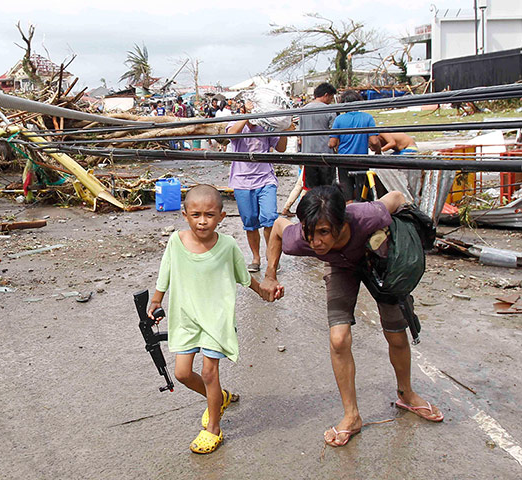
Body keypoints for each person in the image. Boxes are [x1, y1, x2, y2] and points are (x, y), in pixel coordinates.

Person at [260, 185, 444, 448]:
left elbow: (396, 197)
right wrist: (270, 274)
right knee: (338, 339)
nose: (316, 243)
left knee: (396, 334)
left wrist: (405, 234)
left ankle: (406, 393)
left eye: (323, 232)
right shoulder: (298, 239)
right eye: (309, 233)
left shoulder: (368, 216)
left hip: (377, 261)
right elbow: (278, 226)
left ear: (342, 220)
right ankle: (352, 415)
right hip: (341, 268)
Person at [149, 184, 261, 454]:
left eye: (209, 215)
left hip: (216, 319)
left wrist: (264, 291)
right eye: (196, 214)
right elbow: (166, 272)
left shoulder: (228, 246)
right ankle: (218, 398)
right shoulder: (176, 241)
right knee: (182, 373)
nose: (202, 221)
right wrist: (156, 300)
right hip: (185, 318)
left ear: (221, 217)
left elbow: (244, 277)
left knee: (210, 373)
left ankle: (214, 428)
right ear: (185, 214)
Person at [227, 98, 292, 272]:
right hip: (242, 180)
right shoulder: (237, 123)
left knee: (269, 218)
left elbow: (281, 149)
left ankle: (271, 256)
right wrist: (248, 115)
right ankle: (255, 257)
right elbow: (231, 135)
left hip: (265, 179)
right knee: (250, 222)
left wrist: (284, 127)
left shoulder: (267, 126)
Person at [281, 82, 337, 217]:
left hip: (308, 156)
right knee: (326, 190)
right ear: (326, 95)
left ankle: (311, 215)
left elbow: (300, 135)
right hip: (325, 157)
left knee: (311, 189)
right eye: (330, 97)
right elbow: (334, 135)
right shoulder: (329, 110)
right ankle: (325, 215)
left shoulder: (303, 110)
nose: (330, 101)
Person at [329, 90, 381, 201]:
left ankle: (349, 215)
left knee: (347, 195)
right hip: (361, 160)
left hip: (343, 160)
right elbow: (375, 141)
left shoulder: (339, 120)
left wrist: (338, 146)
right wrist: (378, 151)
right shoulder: (367, 118)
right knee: (363, 194)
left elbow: (332, 143)